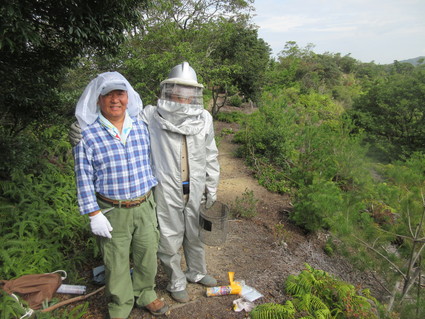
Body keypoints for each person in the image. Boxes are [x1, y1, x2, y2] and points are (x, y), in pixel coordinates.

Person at [72, 71, 168, 318]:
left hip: (145, 205)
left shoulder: (142, 126)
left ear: (128, 96)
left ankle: (146, 293)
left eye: (120, 93)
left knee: (147, 256)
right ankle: (120, 304)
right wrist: (94, 213)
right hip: (112, 211)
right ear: (97, 99)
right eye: (108, 95)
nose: (115, 99)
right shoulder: (87, 135)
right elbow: (83, 177)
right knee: (115, 263)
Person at [140, 62, 220, 303]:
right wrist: (86, 125)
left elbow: (211, 153)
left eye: (188, 91)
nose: (182, 96)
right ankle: (176, 281)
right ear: (168, 89)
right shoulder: (151, 115)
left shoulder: (204, 117)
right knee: (169, 236)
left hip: (195, 188)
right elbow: (120, 122)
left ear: (195, 94)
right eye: (178, 90)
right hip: (165, 188)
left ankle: (197, 272)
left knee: (195, 234)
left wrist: (211, 185)